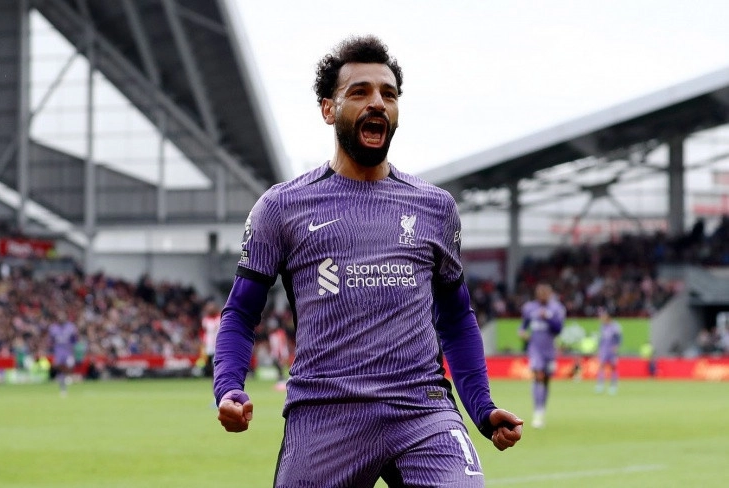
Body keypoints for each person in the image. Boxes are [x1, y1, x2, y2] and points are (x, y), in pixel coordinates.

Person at [214, 35, 522, 487]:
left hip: (422, 411)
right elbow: (241, 312)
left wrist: (481, 406)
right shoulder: (281, 208)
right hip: (325, 415)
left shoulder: (435, 208)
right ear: (328, 109)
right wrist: (228, 388)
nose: (377, 102)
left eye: (388, 94)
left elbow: (456, 318)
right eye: (360, 91)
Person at [518, 283, 565, 428]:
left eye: (545, 293)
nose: (543, 296)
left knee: (546, 380)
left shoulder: (557, 308)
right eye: (540, 293)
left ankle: (541, 409)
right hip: (535, 348)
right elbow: (523, 326)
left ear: (550, 294)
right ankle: (537, 412)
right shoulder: (530, 308)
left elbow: (559, 329)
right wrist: (522, 332)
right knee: (538, 375)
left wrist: (548, 318)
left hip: (549, 349)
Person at [48, 310, 78, 396]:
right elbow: (50, 341)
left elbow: (74, 340)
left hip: (68, 351)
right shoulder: (53, 328)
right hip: (58, 351)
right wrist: (52, 349)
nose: (61, 319)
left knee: (70, 365)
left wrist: (73, 349)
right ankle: (63, 386)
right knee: (60, 368)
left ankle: (68, 377)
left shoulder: (70, 327)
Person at [595, 307, 622, 394]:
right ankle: (600, 385)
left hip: (612, 350)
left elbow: (619, 338)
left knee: (613, 367)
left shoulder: (615, 326)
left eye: (604, 316)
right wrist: (599, 348)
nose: (602, 318)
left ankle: (613, 386)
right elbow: (601, 339)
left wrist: (616, 346)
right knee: (601, 366)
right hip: (604, 349)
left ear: (608, 317)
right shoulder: (602, 327)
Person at [201, 301, 222, 378]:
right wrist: (203, 340)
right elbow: (203, 331)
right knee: (209, 358)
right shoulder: (205, 319)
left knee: (218, 357)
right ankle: (209, 374)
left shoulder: (220, 317)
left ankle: (219, 373)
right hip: (209, 342)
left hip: (219, 341)